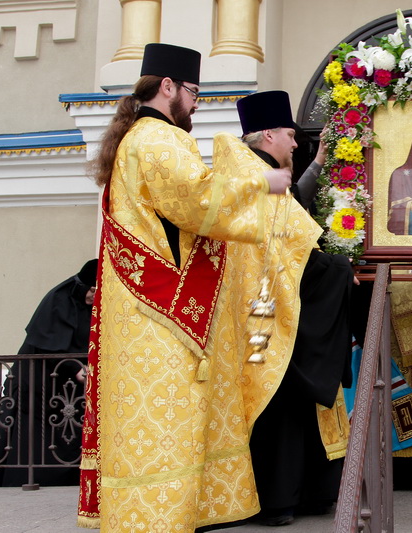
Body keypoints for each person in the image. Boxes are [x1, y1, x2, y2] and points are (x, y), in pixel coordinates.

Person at [77, 43, 294, 532]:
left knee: (148, 423)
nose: (196, 103)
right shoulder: (159, 138)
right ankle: (159, 518)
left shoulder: (134, 138)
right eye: (194, 92)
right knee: (167, 422)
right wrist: (263, 183)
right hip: (160, 317)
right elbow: (197, 200)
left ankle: (145, 515)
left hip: (139, 313)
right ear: (167, 86)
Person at [236, 90, 355, 526]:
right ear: (268, 135)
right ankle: (280, 499)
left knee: (290, 403)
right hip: (269, 318)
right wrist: (339, 269)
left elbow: (292, 221)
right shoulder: (258, 179)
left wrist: (320, 161)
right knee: (280, 405)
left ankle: (302, 495)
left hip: (268, 313)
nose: (295, 143)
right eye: (290, 135)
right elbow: (287, 251)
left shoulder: (258, 175)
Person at [0, 259, 96, 487]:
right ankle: (26, 476)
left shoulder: (88, 307)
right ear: (81, 286)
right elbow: (51, 344)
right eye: (91, 290)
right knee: (33, 428)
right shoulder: (59, 301)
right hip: (38, 382)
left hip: (66, 388)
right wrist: (75, 368)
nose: (93, 296)